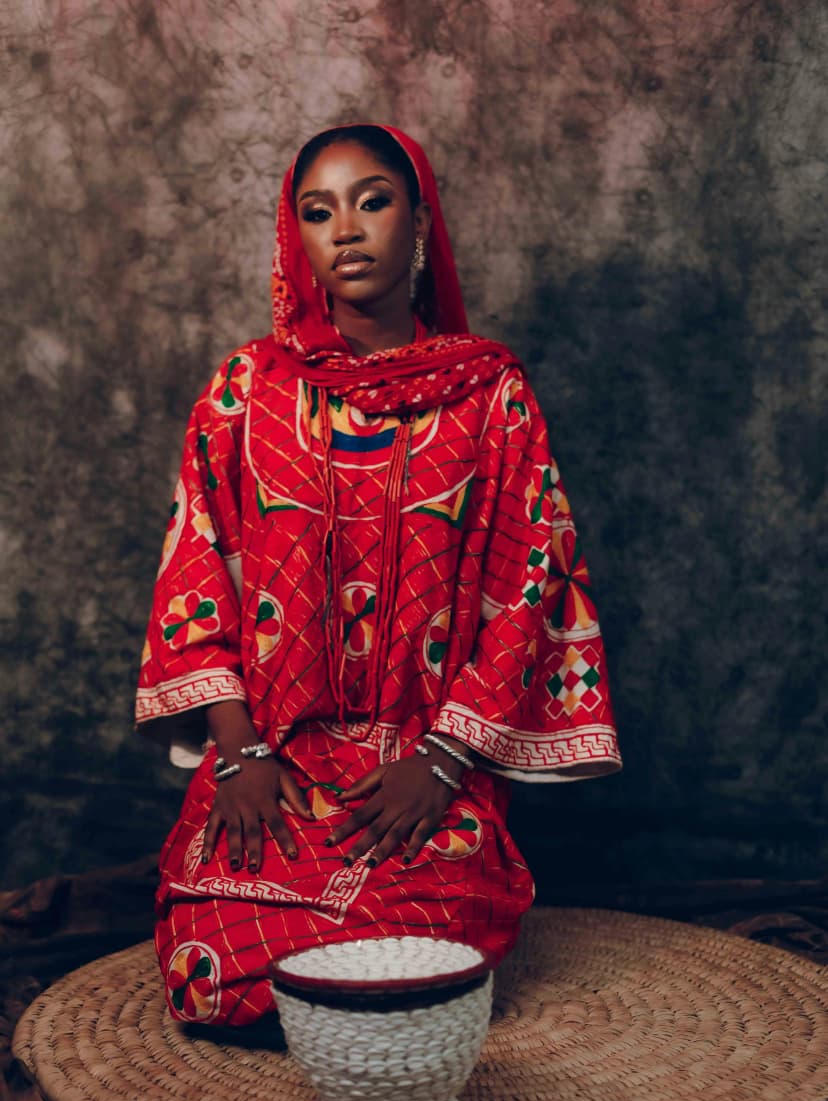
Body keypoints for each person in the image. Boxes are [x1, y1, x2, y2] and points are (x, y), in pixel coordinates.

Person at [136, 124, 621, 1027]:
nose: (346, 230)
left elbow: (530, 589)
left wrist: (440, 763)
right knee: (213, 982)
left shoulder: (492, 399)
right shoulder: (247, 392)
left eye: (372, 201)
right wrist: (238, 752)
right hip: (275, 761)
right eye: (318, 212)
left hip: (424, 769)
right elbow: (195, 573)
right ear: (298, 241)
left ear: (421, 220)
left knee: (409, 961)